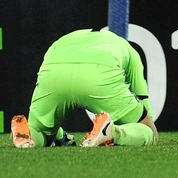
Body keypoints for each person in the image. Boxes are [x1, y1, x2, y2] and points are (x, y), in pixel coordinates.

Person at [10, 29, 159, 148]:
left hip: (54, 72)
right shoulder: (127, 47)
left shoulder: (65, 39)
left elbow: (46, 66)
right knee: (149, 132)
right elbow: (142, 95)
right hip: (99, 74)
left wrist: (59, 135)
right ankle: (112, 132)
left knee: (39, 132)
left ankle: (25, 133)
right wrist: (148, 124)